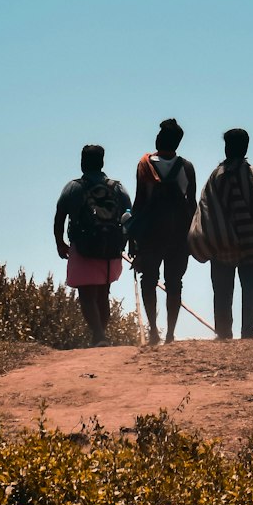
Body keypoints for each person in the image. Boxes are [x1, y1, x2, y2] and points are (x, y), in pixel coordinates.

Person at [188, 129, 253, 340]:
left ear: (227, 147)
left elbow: (205, 210)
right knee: (251, 288)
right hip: (252, 247)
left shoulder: (216, 177)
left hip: (222, 247)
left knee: (222, 290)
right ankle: (248, 330)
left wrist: (209, 237)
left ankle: (224, 331)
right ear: (245, 148)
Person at [54, 144, 131, 347]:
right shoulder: (117, 187)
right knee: (103, 294)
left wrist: (60, 243)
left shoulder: (73, 187)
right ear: (102, 162)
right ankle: (100, 335)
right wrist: (130, 243)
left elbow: (60, 215)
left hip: (83, 248)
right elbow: (130, 215)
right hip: (110, 249)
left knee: (87, 296)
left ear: (82, 162)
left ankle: (98, 335)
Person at [129, 117, 197, 345]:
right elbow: (192, 205)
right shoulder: (187, 167)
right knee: (174, 283)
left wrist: (133, 240)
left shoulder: (145, 165)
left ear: (159, 139)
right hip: (179, 235)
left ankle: (153, 333)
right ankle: (170, 334)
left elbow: (139, 203)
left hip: (150, 234)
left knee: (149, 280)